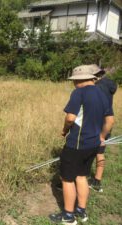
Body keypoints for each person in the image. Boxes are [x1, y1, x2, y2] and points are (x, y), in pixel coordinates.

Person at [49, 65, 114, 225]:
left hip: (77, 144)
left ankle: (68, 216)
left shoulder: (79, 92)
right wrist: (101, 136)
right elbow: (110, 120)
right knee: (82, 176)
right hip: (93, 144)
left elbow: (70, 118)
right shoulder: (102, 92)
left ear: (79, 80)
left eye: (74, 81)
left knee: (67, 179)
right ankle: (81, 211)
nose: (73, 84)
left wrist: (64, 130)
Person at [89, 64, 117, 192]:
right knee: (100, 152)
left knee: (87, 151)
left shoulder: (97, 87)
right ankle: (97, 181)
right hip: (106, 124)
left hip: (96, 124)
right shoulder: (108, 85)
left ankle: (78, 178)